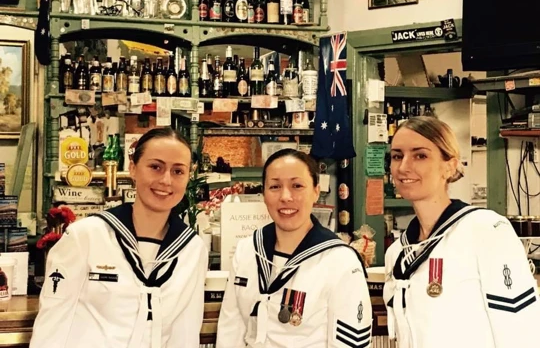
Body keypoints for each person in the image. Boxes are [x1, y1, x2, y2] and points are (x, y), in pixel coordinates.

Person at [30, 127, 208, 348]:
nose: (166, 180)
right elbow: (52, 324)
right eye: (155, 167)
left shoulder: (192, 248)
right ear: (133, 169)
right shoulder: (87, 235)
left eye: (178, 171)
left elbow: (186, 331)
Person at [384, 116, 539, 348]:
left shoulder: (486, 231)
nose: (404, 166)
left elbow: (522, 332)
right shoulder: (397, 252)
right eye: (397, 156)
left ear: (449, 165)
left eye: (420, 155)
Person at [217, 149, 372, 348]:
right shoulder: (247, 250)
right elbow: (230, 330)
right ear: (263, 193)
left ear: (316, 191)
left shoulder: (339, 260)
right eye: (274, 186)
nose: (285, 196)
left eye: (297, 186)